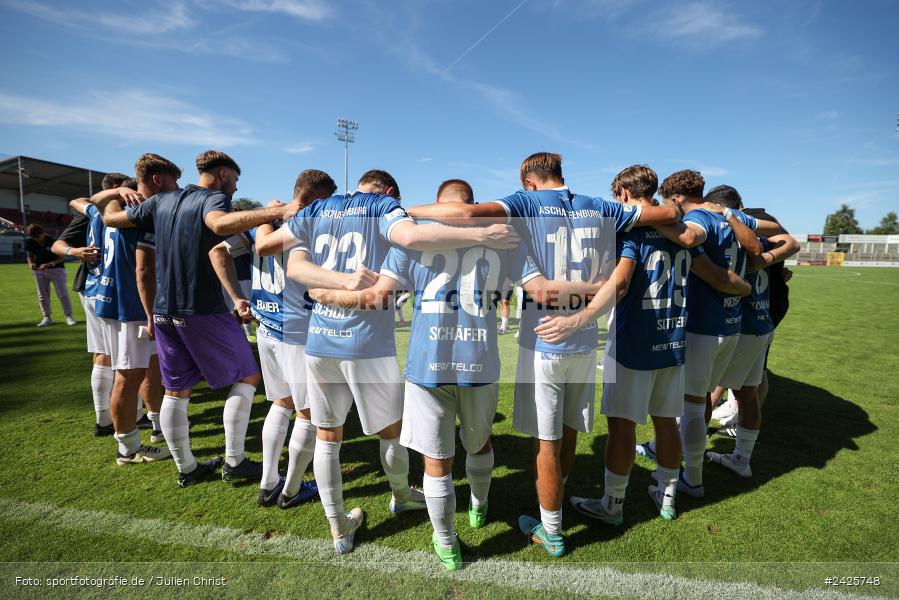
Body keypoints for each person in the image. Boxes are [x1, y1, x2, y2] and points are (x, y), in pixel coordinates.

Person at [307, 178, 602, 569]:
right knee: (479, 445)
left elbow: (377, 297)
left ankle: (446, 543)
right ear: (473, 205)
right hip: (479, 362)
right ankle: (478, 508)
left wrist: (321, 293)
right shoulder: (504, 238)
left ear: (437, 206)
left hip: (427, 365)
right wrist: (598, 286)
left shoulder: (413, 242)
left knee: (436, 460)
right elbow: (543, 290)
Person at [407, 152, 681, 557]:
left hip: (545, 341)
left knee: (546, 443)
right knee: (568, 430)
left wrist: (405, 208)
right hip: (587, 341)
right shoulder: (600, 206)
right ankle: (560, 498)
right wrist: (602, 289)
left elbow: (467, 217)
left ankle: (551, 529)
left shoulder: (526, 204)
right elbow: (664, 214)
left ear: (529, 181)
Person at [271, 169, 520, 555]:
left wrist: (325, 290)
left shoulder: (320, 208)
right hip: (374, 345)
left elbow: (287, 261)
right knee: (397, 433)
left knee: (327, 435)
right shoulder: (387, 210)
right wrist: (482, 234)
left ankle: (340, 528)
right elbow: (405, 243)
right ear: (389, 192)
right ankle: (410, 496)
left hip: (321, 340)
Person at [534, 166, 750, 524]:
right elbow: (708, 270)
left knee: (622, 428)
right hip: (673, 339)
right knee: (666, 423)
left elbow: (619, 285)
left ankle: (612, 505)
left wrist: (577, 319)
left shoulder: (633, 230)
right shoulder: (682, 232)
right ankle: (667, 498)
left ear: (622, 192)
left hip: (634, 342)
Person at [93, 151, 299, 487]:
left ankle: (187, 467)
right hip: (200, 307)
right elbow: (217, 225)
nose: (234, 187)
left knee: (177, 390)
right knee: (247, 376)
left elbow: (110, 220)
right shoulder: (213, 198)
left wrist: (116, 195)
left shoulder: (162, 201)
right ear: (221, 174)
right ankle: (235, 461)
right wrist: (278, 211)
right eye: (234, 179)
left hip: (163, 310)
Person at [635, 170, 783, 498]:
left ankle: (692, 478)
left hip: (705, 325)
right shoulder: (730, 217)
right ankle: (698, 466)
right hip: (732, 324)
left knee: (691, 405)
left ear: (676, 199)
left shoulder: (700, 218)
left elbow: (688, 239)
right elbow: (780, 231)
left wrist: (640, 216)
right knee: (704, 399)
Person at [209, 169, 337, 507]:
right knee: (309, 414)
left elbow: (216, 252)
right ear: (316, 200)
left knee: (281, 405)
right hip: (296, 331)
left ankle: (269, 482)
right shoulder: (306, 225)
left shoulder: (263, 223)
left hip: (265, 327)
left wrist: (237, 297)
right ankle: (291, 489)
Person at [73, 171, 173, 465]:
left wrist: (113, 196)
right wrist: (150, 312)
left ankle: (132, 437)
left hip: (107, 300)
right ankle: (127, 448)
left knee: (128, 372)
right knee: (129, 377)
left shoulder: (105, 211)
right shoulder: (136, 217)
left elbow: (87, 201)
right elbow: (143, 271)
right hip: (129, 306)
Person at [703, 186, 799, 476]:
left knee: (700, 392)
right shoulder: (759, 233)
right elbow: (790, 242)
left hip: (738, 325)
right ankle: (742, 459)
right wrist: (771, 263)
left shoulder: (726, 235)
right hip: (761, 321)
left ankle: (686, 459)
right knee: (747, 393)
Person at [52, 172, 128, 435]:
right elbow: (58, 245)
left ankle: (106, 419)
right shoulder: (92, 213)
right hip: (102, 288)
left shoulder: (93, 208)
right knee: (118, 355)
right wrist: (74, 251)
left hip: (101, 288)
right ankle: (125, 416)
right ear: (117, 189)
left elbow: (78, 200)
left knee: (107, 354)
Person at [25, 224, 75, 327]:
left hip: (57, 269)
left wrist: (50, 264)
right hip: (39, 271)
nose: (37, 240)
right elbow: (29, 255)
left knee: (62, 294)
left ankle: (69, 316)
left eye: (38, 237)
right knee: (42, 296)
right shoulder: (30, 242)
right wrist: (31, 263)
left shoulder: (53, 241)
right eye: (34, 238)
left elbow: (62, 257)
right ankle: (46, 317)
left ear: (42, 233)